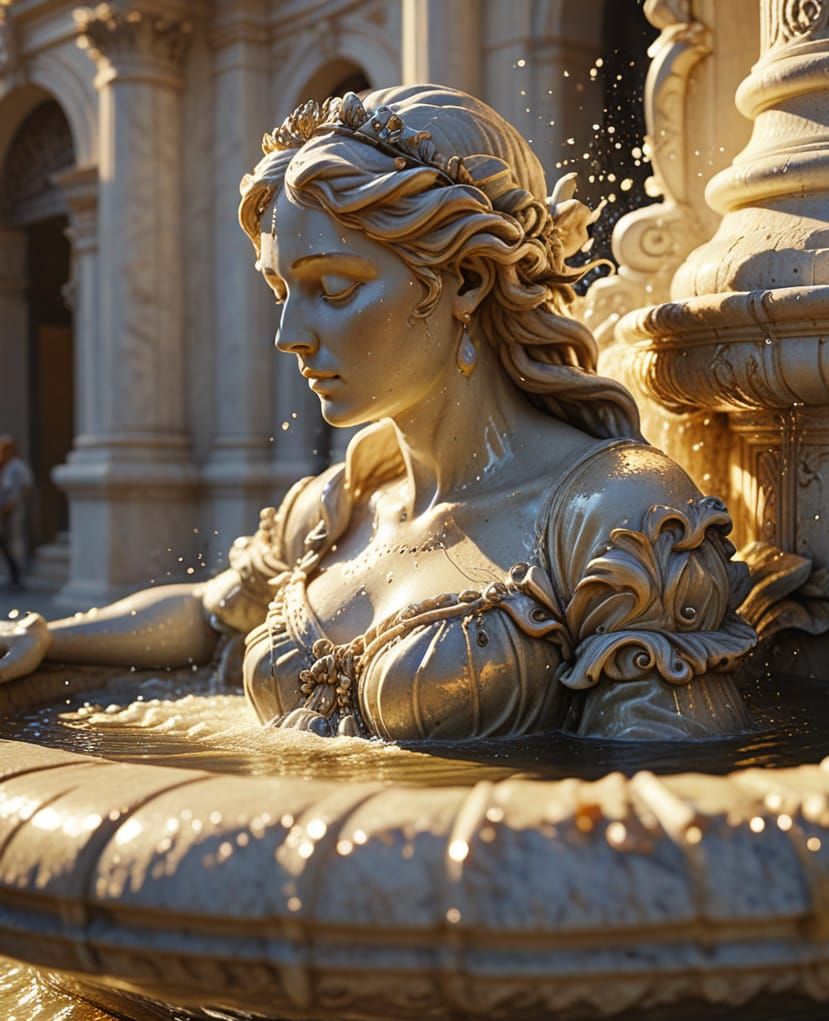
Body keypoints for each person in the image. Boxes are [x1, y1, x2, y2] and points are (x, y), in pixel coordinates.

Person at [0, 86, 756, 739]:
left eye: (333, 290)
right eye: (281, 292)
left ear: (464, 280)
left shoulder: (616, 511)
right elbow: (209, 617)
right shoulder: (332, 507)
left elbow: (666, 805)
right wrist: (48, 639)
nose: (290, 336)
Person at [0, 435, 32, 589]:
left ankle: (19, 577)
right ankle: (11, 576)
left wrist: (9, 506)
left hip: (14, 512)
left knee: (15, 543)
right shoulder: (5, 467)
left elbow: (23, 490)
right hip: (5, 512)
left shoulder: (17, 467)